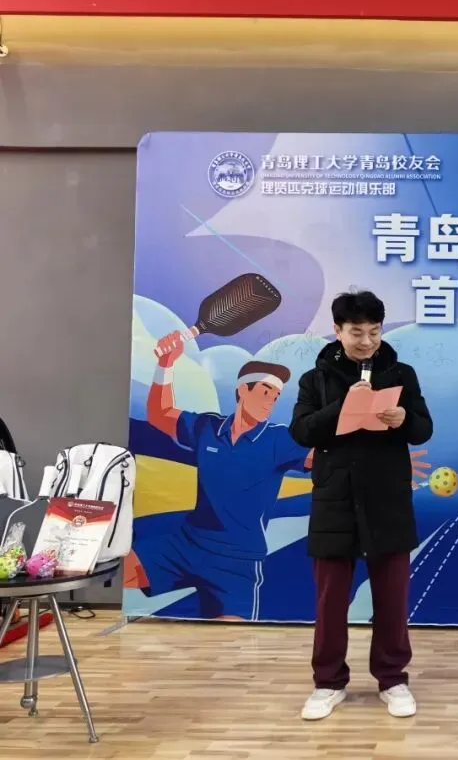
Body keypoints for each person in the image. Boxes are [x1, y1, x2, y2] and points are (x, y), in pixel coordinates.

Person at [290, 290, 433, 721]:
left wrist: (403, 419)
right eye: (357, 332)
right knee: (330, 600)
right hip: (335, 500)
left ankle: (392, 679)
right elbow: (301, 431)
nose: (367, 341)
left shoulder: (402, 373)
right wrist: (343, 406)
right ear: (337, 331)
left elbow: (423, 428)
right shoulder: (315, 379)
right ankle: (328, 682)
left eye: (374, 331)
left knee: (391, 597)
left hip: (387, 497)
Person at [128, 343, 313, 620]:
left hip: (237, 561)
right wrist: (165, 364)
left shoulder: (280, 439)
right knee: (122, 570)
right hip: (186, 544)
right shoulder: (207, 427)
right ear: (243, 390)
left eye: (276, 397)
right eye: (265, 392)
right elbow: (159, 413)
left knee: (232, 638)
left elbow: (326, 459)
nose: (270, 401)